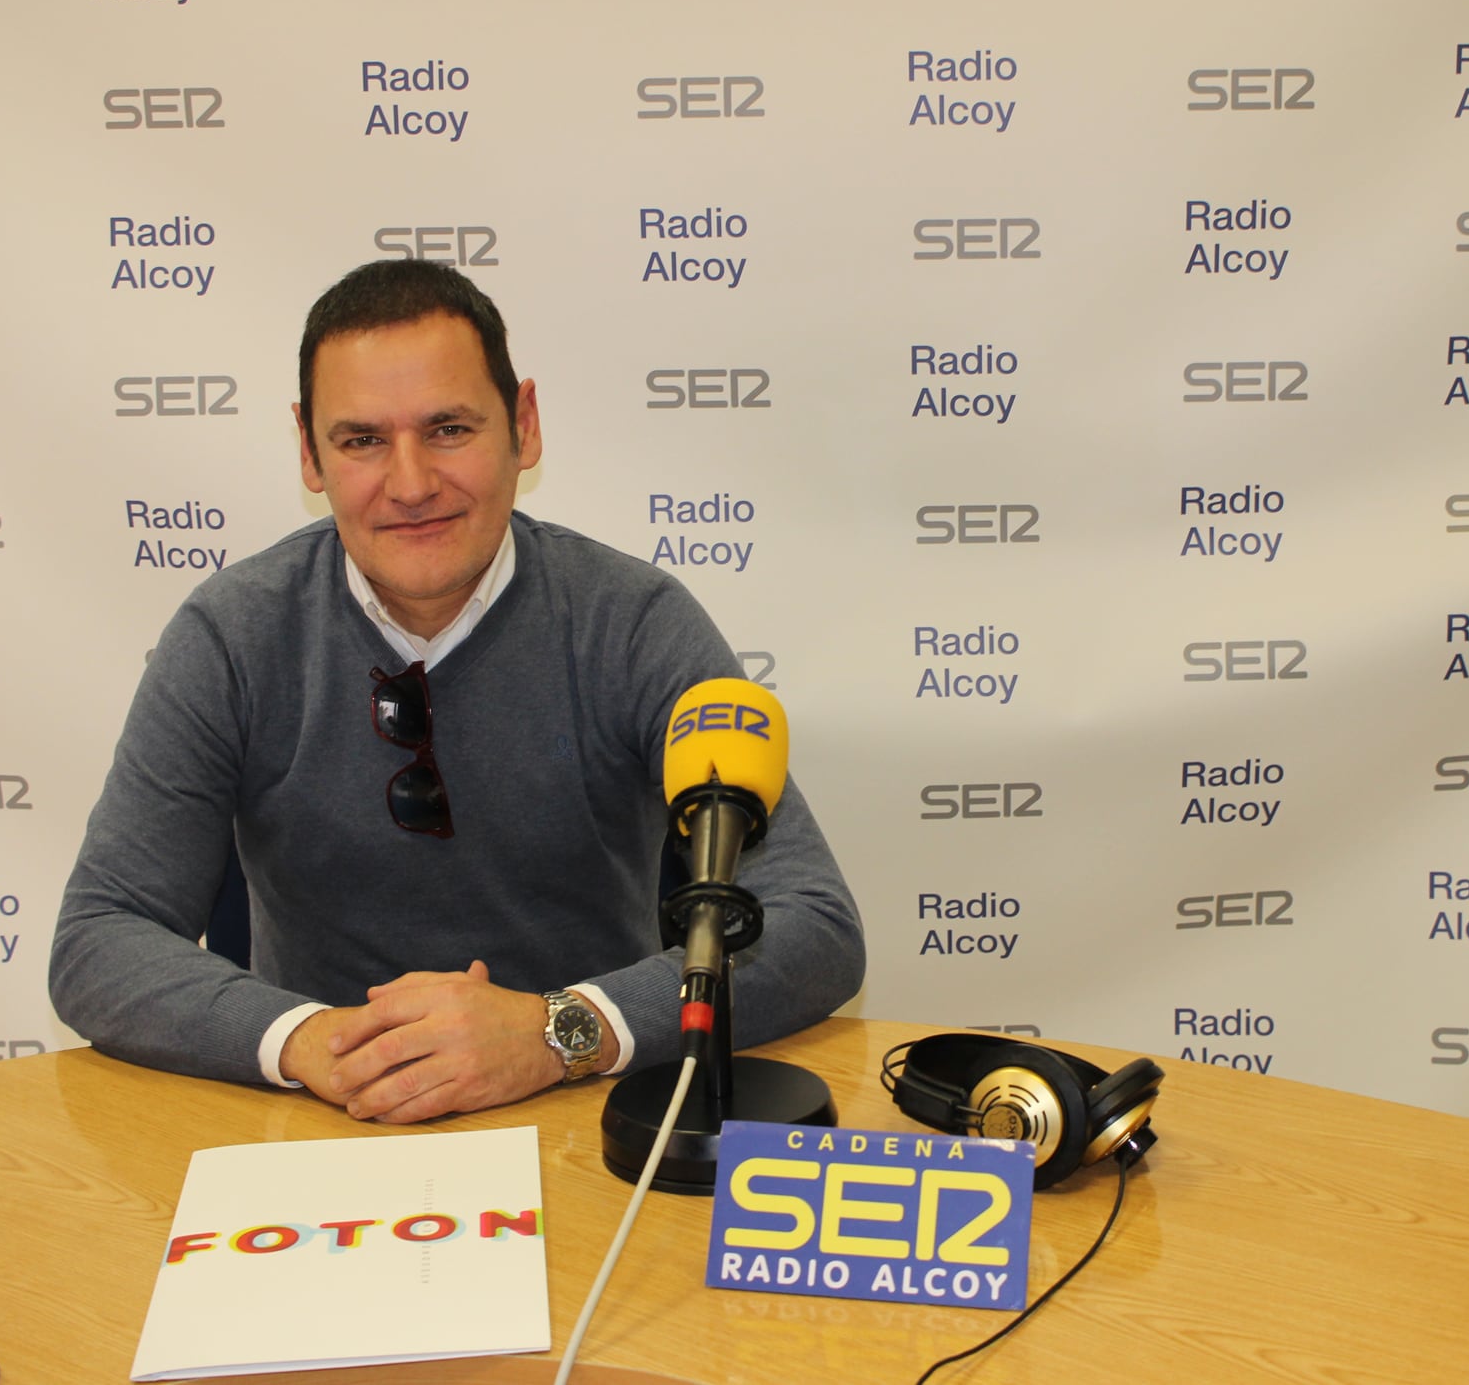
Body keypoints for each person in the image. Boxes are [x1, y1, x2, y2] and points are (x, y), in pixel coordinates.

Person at [49, 259, 863, 1124]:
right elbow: (101, 937)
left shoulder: (634, 622)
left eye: (447, 429)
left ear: (524, 427)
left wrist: (557, 1032)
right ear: (308, 450)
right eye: (362, 439)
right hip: (320, 1128)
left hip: (580, 1122)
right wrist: (310, 1040)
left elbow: (813, 924)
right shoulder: (232, 635)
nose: (409, 484)